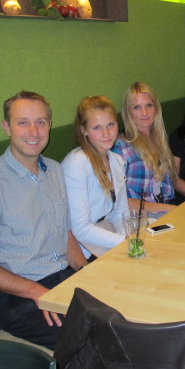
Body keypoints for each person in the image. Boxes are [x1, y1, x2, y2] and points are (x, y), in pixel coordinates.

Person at [0, 91, 88, 350]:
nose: (34, 131)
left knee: (121, 313)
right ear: (6, 127)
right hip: (15, 298)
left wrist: (87, 272)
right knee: (90, 338)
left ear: (49, 125)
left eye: (40, 122)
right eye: (23, 122)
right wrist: (37, 292)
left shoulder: (54, 169)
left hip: (60, 278)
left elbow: (64, 233)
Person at [62, 95, 130, 260]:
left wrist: (128, 241)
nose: (106, 133)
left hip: (107, 239)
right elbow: (80, 229)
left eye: (111, 125)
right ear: (84, 130)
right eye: (97, 128)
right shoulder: (77, 163)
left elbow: (120, 214)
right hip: (82, 251)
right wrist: (124, 242)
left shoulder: (116, 161)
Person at [112, 82, 178, 213]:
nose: (144, 112)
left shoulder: (160, 139)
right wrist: (171, 209)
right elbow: (119, 201)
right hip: (140, 218)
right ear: (128, 112)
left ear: (156, 108)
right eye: (137, 107)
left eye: (149, 105)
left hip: (167, 210)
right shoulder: (120, 148)